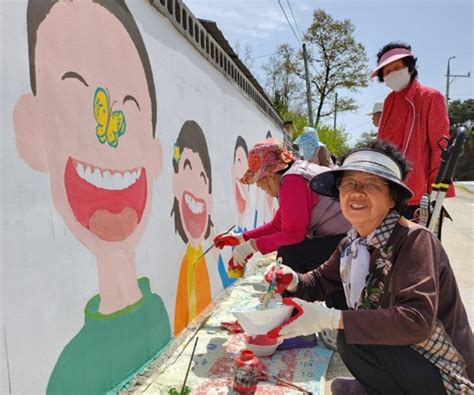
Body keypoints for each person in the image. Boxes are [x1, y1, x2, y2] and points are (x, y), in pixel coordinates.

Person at [14, 1, 171, 393]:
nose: (110, 133)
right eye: (73, 86)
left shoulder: (158, 310)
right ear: (32, 131)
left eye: (131, 106)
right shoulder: (67, 372)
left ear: (153, 152)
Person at [264, 140, 473, 394]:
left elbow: (417, 320)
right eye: (349, 183)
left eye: (371, 184)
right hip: (407, 353)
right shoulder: (353, 242)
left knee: (349, 336)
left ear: (392, 198)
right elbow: (320, 281)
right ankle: (378, 385)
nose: (357, 192)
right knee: (353, 338)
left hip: (444, 372)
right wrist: (293, 279)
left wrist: (331, 319)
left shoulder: (414, 241)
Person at [214, 139, 350, 282]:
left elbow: (293, 234)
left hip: (349, 241)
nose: (258, 185)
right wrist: (241, 238)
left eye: (258, 179)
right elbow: (277, 225)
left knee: (289, 253)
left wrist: (250, 247)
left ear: (271, 174)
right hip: (346, 238)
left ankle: (293, 299)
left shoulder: (293, 181)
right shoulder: (295, 174)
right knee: (291, 250)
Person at [371, 42, 455, 221]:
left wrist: (437, 189)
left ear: (409, 67)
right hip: (389, 192)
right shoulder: (389, 101)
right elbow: (382, 145)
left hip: (419, 195)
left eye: (397, 67)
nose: (391, 74)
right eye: (386, 72)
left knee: (417, 246)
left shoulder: (430, 97)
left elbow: (440, 146)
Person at [171, 120, 214, 334]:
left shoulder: (199, 258)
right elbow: (180, 321)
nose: (196, 184)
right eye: (187, 167)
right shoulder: (188, 262)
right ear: (175, 181)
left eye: (202, 176)